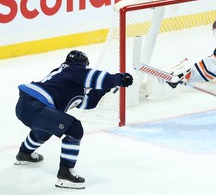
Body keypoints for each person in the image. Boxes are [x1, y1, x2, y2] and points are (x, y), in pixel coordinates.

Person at [14, 50, 133, 189]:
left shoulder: (62, 76)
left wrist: (105, 88)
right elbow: (101, 78)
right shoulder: (74, 70)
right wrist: (121, 78)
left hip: (25, 105)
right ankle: (65, 174)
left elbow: (87, 102)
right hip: (36, 107)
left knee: (46, 129)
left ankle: (24, 153)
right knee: (75, 129)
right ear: (83, 65)